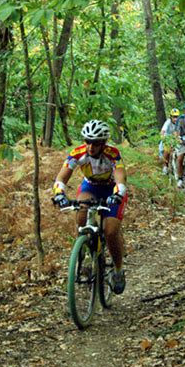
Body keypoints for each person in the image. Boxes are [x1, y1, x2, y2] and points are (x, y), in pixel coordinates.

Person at [52, 120, 128, 295]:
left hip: (111, 189)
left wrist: (118, 193)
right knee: (80, 214)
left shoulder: (112, 153)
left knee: (110, 231)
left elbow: (120, 177)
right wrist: (59, 194)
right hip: (90, 187)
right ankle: (85, 251)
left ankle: (118, 270)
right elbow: (61, 178)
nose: (91, 146)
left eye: (96, 143)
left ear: (104, 143)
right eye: (87, 141)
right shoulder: (77, 154)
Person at [160, 108, 180, 175]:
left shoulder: (179, 122)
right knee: (167, 150)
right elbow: (163, 131)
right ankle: (165, 166)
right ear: (171, 117)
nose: (175, 119)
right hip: (167, 138)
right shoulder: (168, 122)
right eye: (174, 117)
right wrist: (163, 138)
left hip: (175, 138)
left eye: (177, 117)